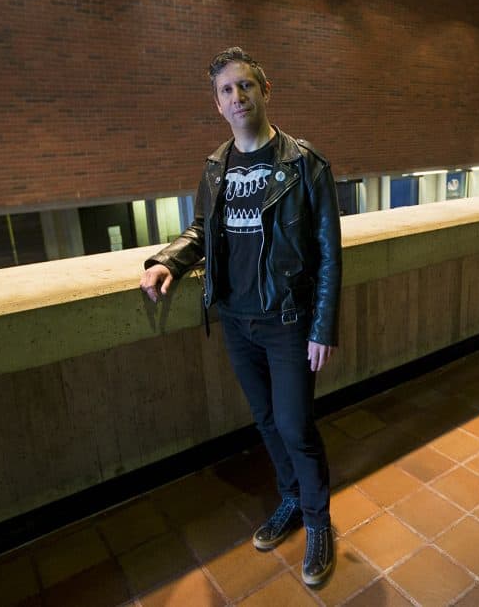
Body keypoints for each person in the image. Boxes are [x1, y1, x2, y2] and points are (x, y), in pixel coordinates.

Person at [139, 47, 342, 587]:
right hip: (236, 320)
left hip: (288, 320)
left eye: (245, 86)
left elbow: (328, 251)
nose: (238, 97)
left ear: (265, 90)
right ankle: (292, 500)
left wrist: (323, 326)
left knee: (297, 426)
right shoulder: (216, 168)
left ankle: (319, 523)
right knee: (267, 422)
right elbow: (201, 231)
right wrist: (168, 263)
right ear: (218, 105)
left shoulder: (305, 165)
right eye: (227, 91)